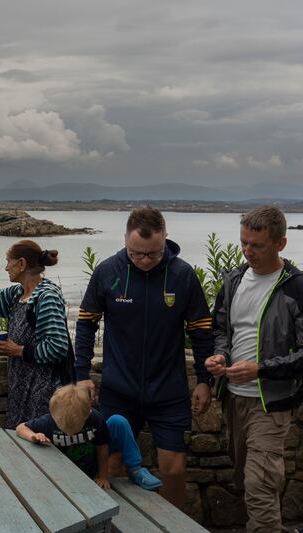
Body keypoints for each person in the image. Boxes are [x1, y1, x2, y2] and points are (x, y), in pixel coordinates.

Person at [74, 207, 213, 508]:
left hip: (169, 389)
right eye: (137, 254)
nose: (145, 261)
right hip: (119, 389)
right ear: (125, 239)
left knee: (173, 470)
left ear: (165, 241)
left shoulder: (182, 274)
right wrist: (82, 374)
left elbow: (201, 330)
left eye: (153, 254)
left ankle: (175, 529)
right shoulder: (108, 271)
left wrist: (204, 381)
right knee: (111, 466)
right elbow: (86, 323)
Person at [205, 205, 303, 533]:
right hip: (234, 399)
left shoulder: (296, 288)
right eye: (244, 243)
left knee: (259, 486)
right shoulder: (233, 280)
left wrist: (260, 370)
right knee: (246, 480)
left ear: (281, 244)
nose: (247, 251)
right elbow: (220, 329)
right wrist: (220, 357)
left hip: (270, 402)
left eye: (256, 245)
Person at [0, 240, 71, 429]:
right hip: (21, 390)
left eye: (8, 261)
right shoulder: (17, 294)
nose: (6, 267)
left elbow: (57, 347)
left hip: (45, 393)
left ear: (21, 264)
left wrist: (19, 350)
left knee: (40, 445)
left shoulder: (47, 297)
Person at [16, 384, 162, 491]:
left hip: (91, 465)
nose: (69, 434)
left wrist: (103, 476)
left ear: (87, 415)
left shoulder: (95, 419)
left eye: (74, 429)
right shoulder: (49, 421)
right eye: (64, 429)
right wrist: (33, 435)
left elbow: (102, 448)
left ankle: (135, 470)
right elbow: (20, 427)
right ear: (53, 415)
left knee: (119, 421)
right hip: (63, 475)